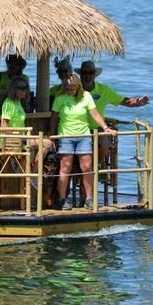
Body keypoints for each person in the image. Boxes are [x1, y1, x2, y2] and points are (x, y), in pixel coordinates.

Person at [50, 74, 116, 210]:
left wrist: (105, 127)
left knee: (86, 167)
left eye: (72, 88)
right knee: (65, 167)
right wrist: (52, 136)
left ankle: (89, 198)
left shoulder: (86, 96)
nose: (70, 90)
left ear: (78, 87)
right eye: (67, 88)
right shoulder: (60, 98)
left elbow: (95, 113)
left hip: (83, 136)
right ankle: (62, 199)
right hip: (65, 136)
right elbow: (54, 117)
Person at [75, 60, 149, 165]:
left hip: (97, 127)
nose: (87, 75)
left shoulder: (104, 90)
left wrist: (137, 102)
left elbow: (124, 101)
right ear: (80, 74)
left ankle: (95, 169)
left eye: (90, 72)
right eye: (84, 72)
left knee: (104, 147)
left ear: (95, 74)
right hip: (76, 128)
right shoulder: (73, 89)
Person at [1, 76, 55, 168]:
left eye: (25, 88)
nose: (23, 90)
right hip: (14, 140)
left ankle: (33, 170)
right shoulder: (8, 102)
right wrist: (13, 140)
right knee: (49, 144)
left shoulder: (18, 103)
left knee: (48, 145)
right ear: (13, 89)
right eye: (19, 88)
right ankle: (33, 173)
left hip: (22, 138)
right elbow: (3, 125)